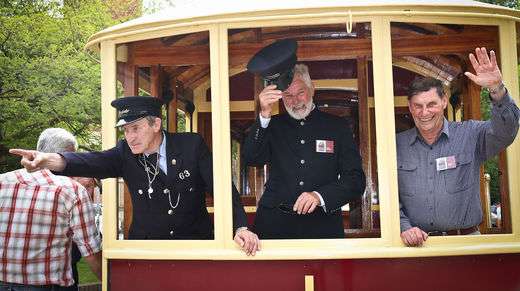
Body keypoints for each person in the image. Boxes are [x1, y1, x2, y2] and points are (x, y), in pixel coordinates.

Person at [10, 97, 260, 255]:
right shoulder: (124, 154)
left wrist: (239, 226)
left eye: (136, 128)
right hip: (147, 251)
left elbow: (223, 189)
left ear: (156, 124)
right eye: (126, 130)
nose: (130, 137)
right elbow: (89, 161)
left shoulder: (191, 146)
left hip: (194, 247)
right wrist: (47, 160)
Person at [243, 39, 366, 239]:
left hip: (322, 227)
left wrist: (319, 196)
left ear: (312, 89)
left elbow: (356, 180)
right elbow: (251, 158)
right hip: (274, 226)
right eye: (288, 95)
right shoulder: (271, 125)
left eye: (300, 92)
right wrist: (264, 114)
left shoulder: (337, 127)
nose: (295, 101)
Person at [397, 47, 519, 247]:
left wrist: (497, 90)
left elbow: (506, 132)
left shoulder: (470, 134)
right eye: (418, 106)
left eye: (431, 104)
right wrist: (404, 226)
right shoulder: (397, 144)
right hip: (415, 247)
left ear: (444, 101)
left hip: (465, 243)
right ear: (410, 108)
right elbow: (391, 196)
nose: (424, 112)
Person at [0, 128, 102, 290]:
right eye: (72, 157)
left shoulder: (2, 182)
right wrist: (111, 281)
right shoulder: (71, 190)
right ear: (66, 155)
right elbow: (90, 250)